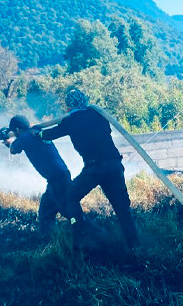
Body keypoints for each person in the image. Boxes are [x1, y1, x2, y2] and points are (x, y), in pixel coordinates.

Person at [38, 89, 140, 250]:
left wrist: (34, 133)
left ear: (68, 105)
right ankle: (135, 246)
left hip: (94, 168)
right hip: (114, 165)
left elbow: (48, 135)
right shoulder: (98, 115)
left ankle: (80, 230)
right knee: (122, 208)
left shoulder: (70, 121)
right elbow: (106, 131)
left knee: (71, 196)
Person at [3, 115, 72, 239]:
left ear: (17, 130)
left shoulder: (24, 137)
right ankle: (53, 239)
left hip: (57, 179)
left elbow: (13, 150)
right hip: (58, 176)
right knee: (46, 213)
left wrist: (7, 142)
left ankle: (87, 232)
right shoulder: (36, 131)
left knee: (68, 211)